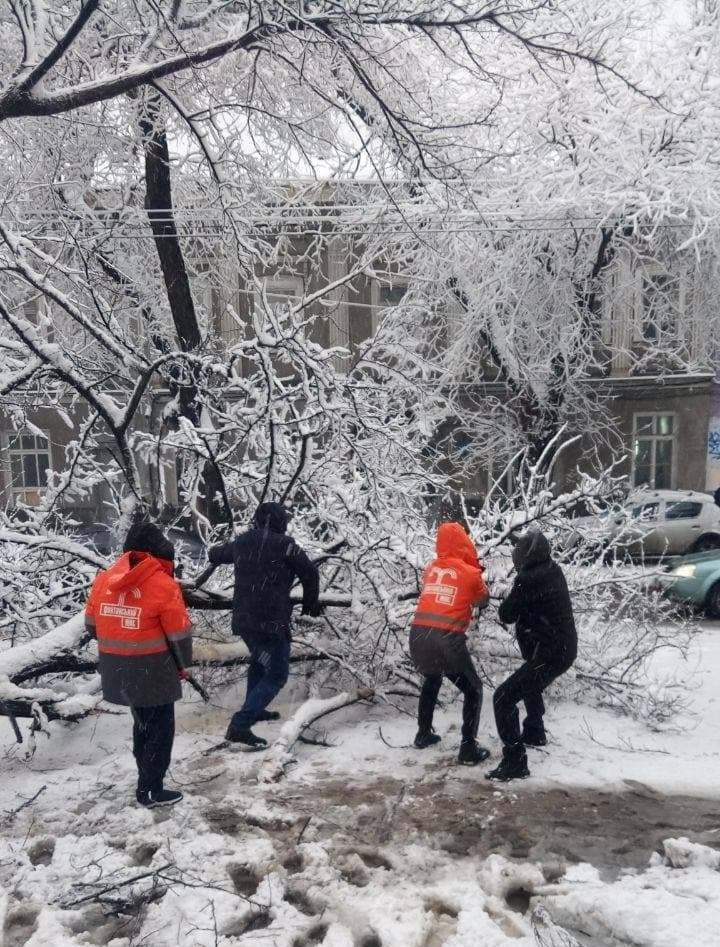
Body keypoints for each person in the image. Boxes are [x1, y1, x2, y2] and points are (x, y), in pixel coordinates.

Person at [85, 521, 192, 808]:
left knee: (143, 725)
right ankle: (151, 790)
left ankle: (145, 780)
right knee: (161, 730)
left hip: (118, 670)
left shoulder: (105, 579)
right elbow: (179, 635)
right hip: (154, 670)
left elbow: (91, 625)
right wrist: (184, 666)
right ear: (161, 556)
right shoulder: (163, 585)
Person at [208, 501, 321, 748]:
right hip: (271, 620)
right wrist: (310, 604)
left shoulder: (243, 542)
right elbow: (310, 573)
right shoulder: (285, 545)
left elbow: (215, 554)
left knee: (260, 663)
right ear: (282, 522)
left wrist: (222, 551)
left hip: (244, 620)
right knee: (277, 673)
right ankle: (240, 724)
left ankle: (254, 708)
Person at [486, 529, 577, 782]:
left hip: (552, 653)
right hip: (561, 649)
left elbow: (507, 614)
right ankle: (535, 730)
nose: (515, 555)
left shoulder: (529, 580)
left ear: (526, 555)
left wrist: (503, 594)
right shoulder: (552, 570)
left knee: (503, 698)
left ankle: (515, 760)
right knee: (530, 682)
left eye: (518, 551)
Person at [409, 521, 491, 766]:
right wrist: (476, 570)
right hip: (447, 639)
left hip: (418, 635)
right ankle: (468, 748)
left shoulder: (430, 568)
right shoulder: (471, 572)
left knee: (432, 678)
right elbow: (482, 600)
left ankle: (423, 733)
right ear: (464, 544)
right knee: (473, 689)